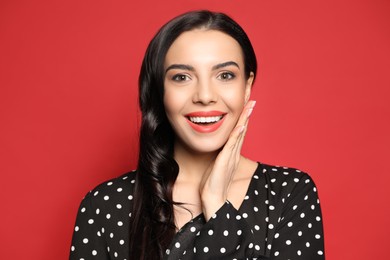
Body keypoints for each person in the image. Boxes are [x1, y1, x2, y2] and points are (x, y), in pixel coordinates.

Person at [69, 10, 325, 259]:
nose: (204, 96)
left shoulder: (288, 193)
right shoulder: (104, 205)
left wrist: (216, 204)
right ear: (160, 91)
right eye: (182, 77)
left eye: (225, 75)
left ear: (246, 87)